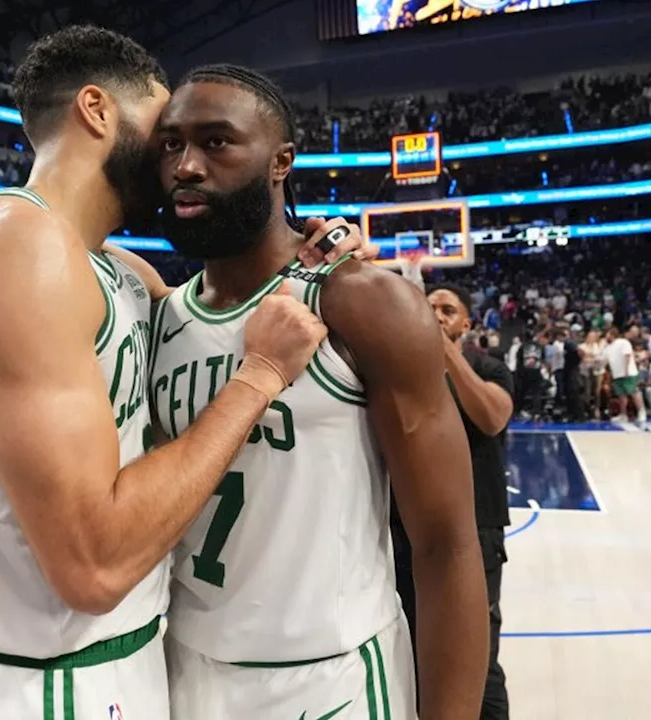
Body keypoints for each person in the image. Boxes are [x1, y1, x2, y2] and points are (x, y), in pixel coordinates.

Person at [0, 27, 369, 720]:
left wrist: (320, 249)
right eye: (164, 129)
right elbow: (92, 566)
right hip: (41, 679)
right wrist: (258, 376)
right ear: (97, 110)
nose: (175, 157)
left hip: (134, 661)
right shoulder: (7, 241)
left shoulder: (125, 273)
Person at [145, 64, 485, 720]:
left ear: (281, 163)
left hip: (332, 681)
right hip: (180, 668)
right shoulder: (154, 320)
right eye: (170, 145)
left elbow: (445, 543)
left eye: (216, 142)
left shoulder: (361, 302)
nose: (186, 165)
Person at [399, 283, 514, 719]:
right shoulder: (401, 371)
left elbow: (492, 417)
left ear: (466, 323)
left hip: (475, 531)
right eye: (428, 309)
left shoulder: (488, 367)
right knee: (410, 647)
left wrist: (442, 349)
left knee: (477, 663)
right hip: (406, 529)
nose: (437, 315)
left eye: (447, 310)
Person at [603, 325, 646, 422]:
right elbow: (603, 360)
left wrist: (626, 370)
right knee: (621, 395)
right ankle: (623, 414)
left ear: (611, 334)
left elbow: (627, 355)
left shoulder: (623, 342)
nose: (605, 336)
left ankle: (641, 411)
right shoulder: (608, 347)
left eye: (607, 334)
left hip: (628, 373)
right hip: (617, 374)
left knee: (634, 391)